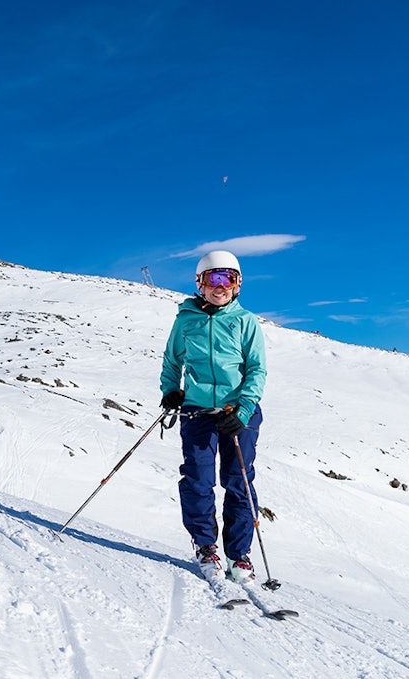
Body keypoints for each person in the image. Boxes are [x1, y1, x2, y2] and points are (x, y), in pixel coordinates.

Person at [159, 250, 266, 584]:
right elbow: (172, 361)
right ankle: (206, 546)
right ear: (200, 283)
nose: (220, 286)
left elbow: (256, 369)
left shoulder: (245, 321)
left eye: (228, 279)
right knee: (198, 479)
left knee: (239, 481)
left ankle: (239, 555)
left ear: (237, 285)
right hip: (198, 411)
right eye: (213, 279)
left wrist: (244, 410)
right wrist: (171, 390)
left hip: (238, 412)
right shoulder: (185, 320)